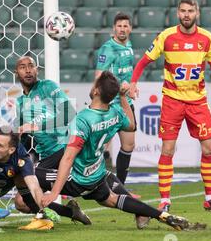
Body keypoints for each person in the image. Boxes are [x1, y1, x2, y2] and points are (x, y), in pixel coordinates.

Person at [41, 71, 190, 231]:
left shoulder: (83, 119)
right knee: (112, 199)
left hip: (79, 178)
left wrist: (54, 193)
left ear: (96, 91)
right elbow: (131, 126)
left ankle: (57, 213)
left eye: (95, 84)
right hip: (97, 175)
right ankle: (161, 215)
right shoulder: (116, 112)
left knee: (31, 176)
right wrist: (123, 98)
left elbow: (68, 158)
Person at [129, 0, 211, 212]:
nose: (187, 14)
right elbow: (143, 61)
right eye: (183, 11)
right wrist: (133, 83)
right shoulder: (166, 37)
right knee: (167, 150)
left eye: (191, 11)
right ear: (178, 13)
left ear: (197, 13)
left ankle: (210, 198)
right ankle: (165, 200)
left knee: (209, 147)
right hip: (172, 101)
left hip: (198, 101)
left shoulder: (206, 38)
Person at [12, 56, 92, 225]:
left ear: (37, 70)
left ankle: (44, 219)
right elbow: (24, 137)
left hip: (65, 146)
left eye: (31, 66)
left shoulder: (47, 87)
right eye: (22, 67)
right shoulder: (20, 103)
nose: (27, 70)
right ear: (16, 72)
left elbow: (69, 113)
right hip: (47, 157)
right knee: (21, 201)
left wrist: (35, 126)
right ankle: (71, 212)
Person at [95, 13, 136, 185]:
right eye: (119, 26)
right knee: (100, 147)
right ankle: (94, 184)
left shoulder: (129, 45)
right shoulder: (108, 49)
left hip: (126, 103)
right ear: (114, 28)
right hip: (110, 104)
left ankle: (120, 187)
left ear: (130, 29)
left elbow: (127, 72)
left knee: (128, 145)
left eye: (125, 26)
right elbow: (99, 77)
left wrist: (133, 86)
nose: (122, 29)